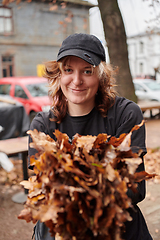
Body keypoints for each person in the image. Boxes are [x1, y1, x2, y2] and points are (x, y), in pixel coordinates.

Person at [28, 33, 152, 240]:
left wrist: (71, 183)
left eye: (87, 71)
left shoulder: (125, 114)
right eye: (68, 70)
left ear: (101, 76)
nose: (77, 81)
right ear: (59, 74)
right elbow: (41, 193)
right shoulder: (43, 125)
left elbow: (134, 189)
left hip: (118, 230)